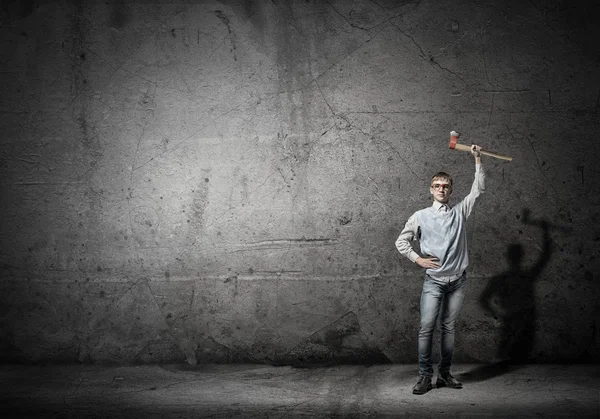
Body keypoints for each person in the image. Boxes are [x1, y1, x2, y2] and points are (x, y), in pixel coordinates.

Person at [395, 140, 485, 395]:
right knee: (426, 328)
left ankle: (444, 375)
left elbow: (478, 190)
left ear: (451, 190)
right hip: (433, 281)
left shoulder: (460, 212)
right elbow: (401, 241)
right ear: (430, 190)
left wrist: (477, 160)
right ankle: (425, 376)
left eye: (445, 186)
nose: (441, 189)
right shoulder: (420, 215)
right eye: (437, 186)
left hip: (458, 281)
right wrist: (418, 259)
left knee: (448, 328)